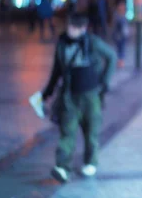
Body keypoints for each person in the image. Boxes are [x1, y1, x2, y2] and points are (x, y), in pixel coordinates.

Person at [37, 13, 117, 183]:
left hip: (90, 96)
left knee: (91, 131)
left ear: (83, 28)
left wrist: (104, 83)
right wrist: (46, 93)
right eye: (70, 26)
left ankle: (90, 162)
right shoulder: (62, 43)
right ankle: (62, 167)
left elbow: (111, 57)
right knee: (67, 132)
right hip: (69, 97)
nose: (71, 30)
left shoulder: (92, 42)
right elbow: (56, 71)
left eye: (75, 27)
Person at [112, 1, 129, 68]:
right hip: (119, 36)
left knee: (121, 48)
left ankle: (120, 61)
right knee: (120, 48)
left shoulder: (121, 16)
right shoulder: (118, 16)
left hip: (121, 36)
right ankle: (120, 61)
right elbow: (118, 27)